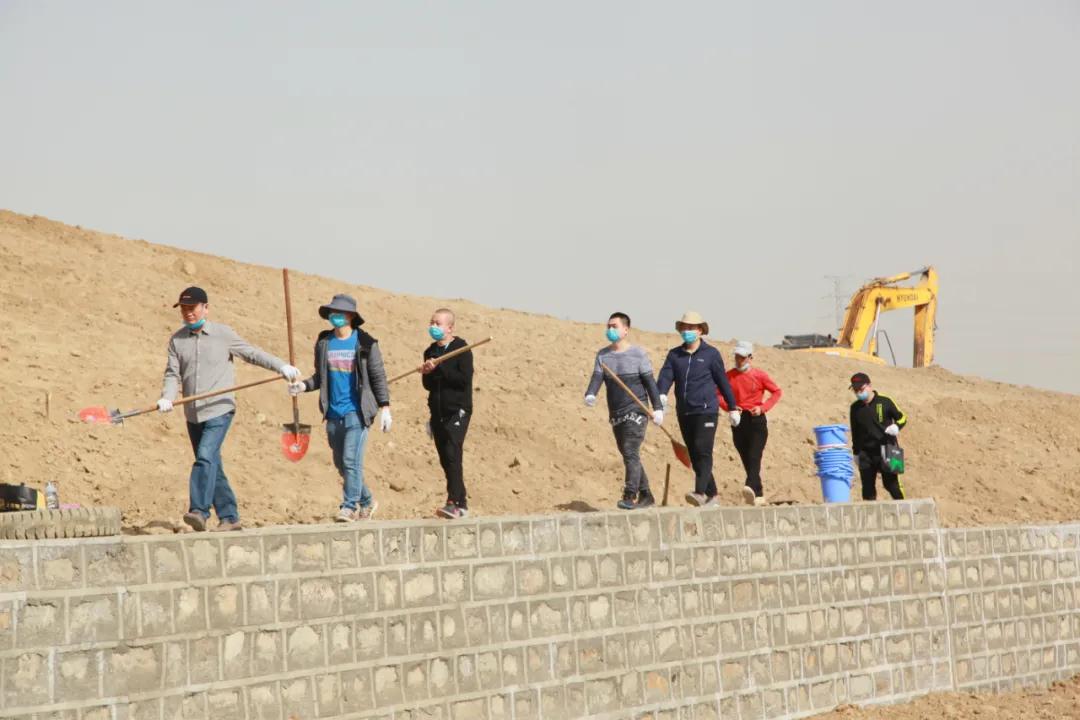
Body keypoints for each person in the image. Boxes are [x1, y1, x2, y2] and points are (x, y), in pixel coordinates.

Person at [159, 286, 301, 532]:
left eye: (192, 308)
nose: (188, 313)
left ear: (205, 308)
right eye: (184, 309)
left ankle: (199, 511)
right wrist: (167, 397)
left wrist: (281, 366)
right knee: (211, 462)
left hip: (220, 409)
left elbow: (251, 354)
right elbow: (173, 374)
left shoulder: (223, 335)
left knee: (205, 456)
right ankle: (229, 517)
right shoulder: (177, 340)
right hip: (193, 413)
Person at [288, 294, 391, 521]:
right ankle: (367, 501)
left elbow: (377, 376)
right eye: (332, 312)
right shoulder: (324, 342)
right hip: (333, 414)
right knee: (341, 464)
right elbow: (320, 377)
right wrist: (303, 386)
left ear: (351, 316)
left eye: (340, 312)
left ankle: (349, 506)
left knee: (351, 461)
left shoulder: (366, 343)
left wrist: (385, 407)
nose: (335, 316)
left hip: (357, 412)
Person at [656, 311, 741, 507]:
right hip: (685, 412)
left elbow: (723, 382)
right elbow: (665, 377)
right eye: (684, 327)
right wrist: (660, 397)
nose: (687, 331)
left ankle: (700, 492)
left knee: (703, 451)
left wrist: (732, 407)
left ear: (700, 330)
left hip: (706, 411)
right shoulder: (674, 355)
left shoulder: (711, 354)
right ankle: (713, 495)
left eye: (691, 328)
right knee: (694, 455)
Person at [584, 312, 664, 510]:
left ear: (626, 330)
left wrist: (658, 408)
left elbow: (650, 382)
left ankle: (630, 495)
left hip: (636, 410)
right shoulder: (603, 355)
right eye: (608, 326)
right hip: (616, 413)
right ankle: (647, 495)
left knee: (629, 449)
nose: (610, 329)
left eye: (615, 326)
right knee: (629, 454)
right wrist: (591, 393)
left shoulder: (638, 354)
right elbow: (597, 377)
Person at [421, 308, 474, 519]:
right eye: (431, 322)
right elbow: (428, 385)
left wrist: (440, 367)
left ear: (450, 328)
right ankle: (462, 503)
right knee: (445, 458)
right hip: (437, 412)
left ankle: (453, 502)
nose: (433, 326)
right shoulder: (430, 351)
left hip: (458, 410)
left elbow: (463, 380)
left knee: (453, 453)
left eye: (438, 323)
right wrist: (428, 372)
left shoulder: (462, 349)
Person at [718, 341, 783, 506]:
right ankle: (758, 494)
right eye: (737, 356)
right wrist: (730, 407)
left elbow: (776, 392)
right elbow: (717, 394)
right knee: (746, 458)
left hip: (756, 420)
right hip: (738, 420)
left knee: (754, 455)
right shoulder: (728, 376)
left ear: (750, 357)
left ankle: (749, 485)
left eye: (742, 357)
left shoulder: (760, 375)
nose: (739, 360)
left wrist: (763, 408)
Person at [848, 372, 907, 501]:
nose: (859, 393)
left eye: (861, 389)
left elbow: (902, 417)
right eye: (855, 391)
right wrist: (856, 452)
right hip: (866, 452)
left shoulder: (885, 401)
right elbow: (855, 432)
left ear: (869, 386)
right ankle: (870, 513)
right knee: (867, 489)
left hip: (890, 449)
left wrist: (897, 426)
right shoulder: (855, 408)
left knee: (892, 485)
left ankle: (904, 507)